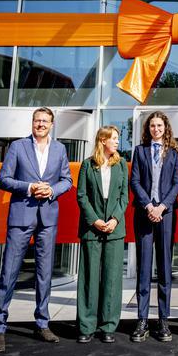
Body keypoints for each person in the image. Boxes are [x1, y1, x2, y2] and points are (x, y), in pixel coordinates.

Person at [0, 107, 72, 353]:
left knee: (44, 274)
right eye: (37, 120)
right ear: (32, 122)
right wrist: (29, 187)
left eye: (45, 121)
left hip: (47, 218)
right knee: (9, 273)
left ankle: (42, 323)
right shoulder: (17, 147)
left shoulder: (59, 149)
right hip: (21, 216)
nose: (40, 124)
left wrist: (52, 190)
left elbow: (66, 180)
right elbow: (3, 179)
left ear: (52, 124)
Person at [130, 111, 178, 343]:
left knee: (164, 268)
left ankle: (163, 319)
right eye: (152, 125)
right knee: (143, 268)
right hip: (144, 215)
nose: (156, 129)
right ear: (148, 129)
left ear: (166, 128)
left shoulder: (174, 153)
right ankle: (142, 319)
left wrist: (161, 207)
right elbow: (135, 181)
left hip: (166, 215)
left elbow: (175, 184)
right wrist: (149, 206)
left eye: (159, 125)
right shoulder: (140, 151)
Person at [76, 125, 129, 344]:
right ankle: (87, 326)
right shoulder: (88, 165)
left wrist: (114, 219)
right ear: (103, 140)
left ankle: (108, 325)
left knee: (112, 278)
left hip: (115, 228)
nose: (117, 142)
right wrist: (95, 220)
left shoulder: (122, 164)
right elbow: (81, 196)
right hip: (92, 227)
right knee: (89, 277)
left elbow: (124, 196)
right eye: (114, 138)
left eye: (117, 138)